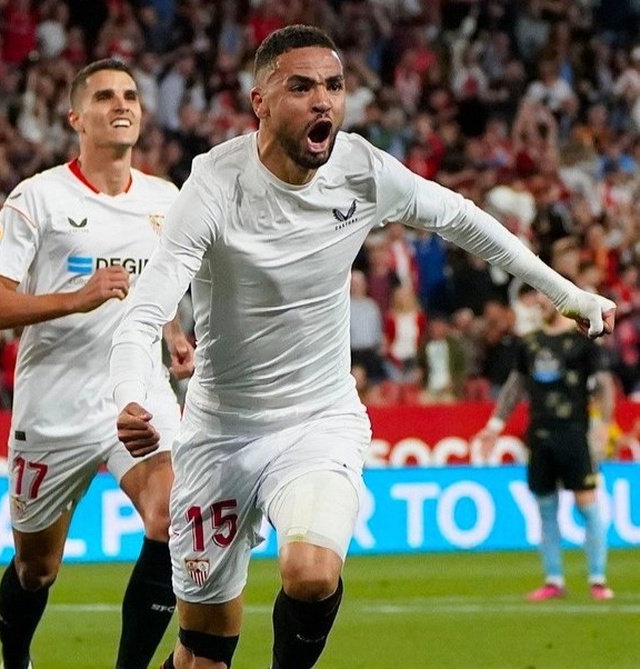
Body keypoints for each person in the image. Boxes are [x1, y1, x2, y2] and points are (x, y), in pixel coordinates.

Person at [109, 26, 615, 669]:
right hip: (219, 432)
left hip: (319, 419)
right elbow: (145, 308)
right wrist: (132, 395)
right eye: (301, 87)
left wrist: (565, 294)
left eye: (334, 86)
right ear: (259, 101)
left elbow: (461, 217)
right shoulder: (212, 187)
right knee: (204, 650)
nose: (323, 101)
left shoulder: (360, 169)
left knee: (312, 571)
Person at [0, 58, 194, 669]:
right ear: (75, 118)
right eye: (104, 97)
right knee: (36, 568)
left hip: (137, 393)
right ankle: (15, 660)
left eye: (129, 95)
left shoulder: (166, 200)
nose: (121, 105)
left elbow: (156, 284)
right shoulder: (37, 198)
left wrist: (172, 333)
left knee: (171, 519)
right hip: (54, 406)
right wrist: (79, 296)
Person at [474, 293, 616, 601]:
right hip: (539, 434)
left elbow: (604, 384)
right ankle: (554, 579)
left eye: (548, 297)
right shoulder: (530, 343)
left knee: (586, 503)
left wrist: (604, 425)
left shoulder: (583, 342)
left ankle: (598, 578)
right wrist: (495, 426)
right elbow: (515, 386)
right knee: (546, 508)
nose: (541, 303)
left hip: (574, 432)